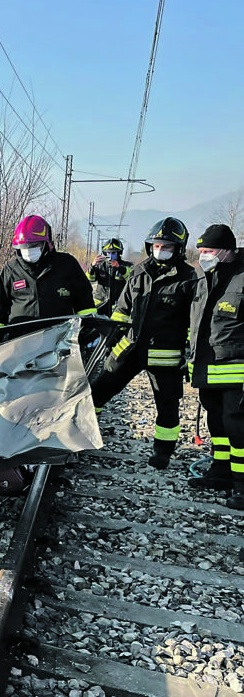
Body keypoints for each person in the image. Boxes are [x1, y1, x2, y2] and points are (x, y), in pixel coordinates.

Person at [90, 217, 196, 469]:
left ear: (179, 248)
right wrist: (111, 340)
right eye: (156, 245)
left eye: (166, 246)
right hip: (129, 349)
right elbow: (122, 310)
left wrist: (189, 355)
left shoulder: (188, 278)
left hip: (165, 356)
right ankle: (86, 433)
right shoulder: (139, 272)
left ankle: (163, 452)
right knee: (97, 392)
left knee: (167, 406)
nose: (160, 250)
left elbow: (194, 321)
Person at [186, 223, 244, 509]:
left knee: (237, 424)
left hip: (237, 367)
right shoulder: (205, 278)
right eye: (201, 251)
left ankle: (241, 485)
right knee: (216, 420)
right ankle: (220, 471)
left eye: (209, 251)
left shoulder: (241, 278)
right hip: (208, 366)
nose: (203, 256)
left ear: (226, 250)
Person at [0, 214, 96, 328]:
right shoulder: (11, 270)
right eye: (24, 247)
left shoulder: (67, 265)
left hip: (60, 336)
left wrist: (87, 330)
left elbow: (85, 303)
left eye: (33, 246)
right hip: (21, 338)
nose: (28, 251)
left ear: (47, 244)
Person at [87, 238, 133, 316]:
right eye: (108, 252)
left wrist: (119, 267)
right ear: (105, 253)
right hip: (100, 304)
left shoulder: (126, 266)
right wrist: (92, 267)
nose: (111, 255)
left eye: (113, 253)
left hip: (117, 306)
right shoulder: (100, 265)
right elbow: (90, 279)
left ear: (119, 253)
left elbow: (132, 278)